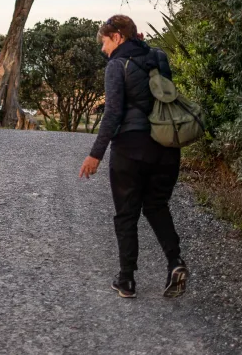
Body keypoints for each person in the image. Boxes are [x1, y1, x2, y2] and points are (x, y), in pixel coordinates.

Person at [78, 15, 188, 299]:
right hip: (166, 147)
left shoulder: (117, 65)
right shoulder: (159, 57)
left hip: (131, 148)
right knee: (156, 206)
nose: (103, 49)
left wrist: (95, 155)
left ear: (117, 37)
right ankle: (175, 262)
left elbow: (113, 114)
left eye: (104, 42)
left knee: (127, 213)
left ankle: (126, 280)